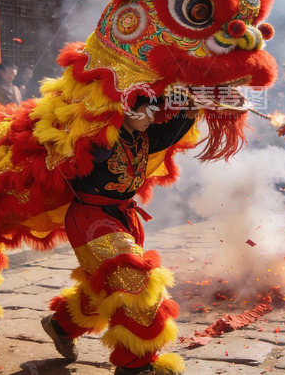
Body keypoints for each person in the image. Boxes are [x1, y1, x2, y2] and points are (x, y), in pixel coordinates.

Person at [43, 95, 198, 375]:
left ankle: (61, 325)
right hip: (91, 219)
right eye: (146, 110)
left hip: (122, 217)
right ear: (124, 108)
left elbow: (170, 132)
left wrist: (190, 108)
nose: (152, 116)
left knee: (106, 285)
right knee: (137, 282)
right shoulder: (99, 138)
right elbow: (85, 150)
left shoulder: (143, 133)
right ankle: (134, 365)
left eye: (155, 109)